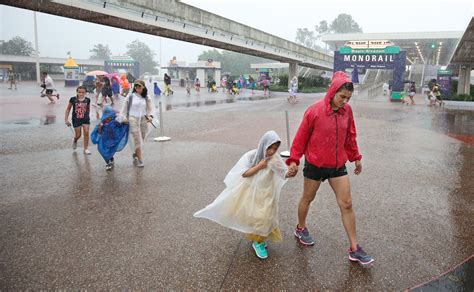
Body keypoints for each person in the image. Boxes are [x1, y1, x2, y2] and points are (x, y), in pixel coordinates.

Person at [286, 71, 374, 265]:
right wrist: (293, 160)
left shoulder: (347, 111)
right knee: (308, 198)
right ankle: (301, 228)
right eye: (342, 96)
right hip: (315, 165)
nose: (345, 101)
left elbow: (350, 136)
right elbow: (301, 138)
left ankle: (354, 248)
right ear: (333, 91)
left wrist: (355, 157)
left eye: (348, 98)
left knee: (347, 203)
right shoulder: (314, 111)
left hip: (337, 166)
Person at [194, 131, 295, 259]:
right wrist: (259, 166)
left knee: (266, 217)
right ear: (263, 145)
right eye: (269, 147)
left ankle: (260, 239)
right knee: (257, 216)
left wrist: (290, 173)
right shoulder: (252, 156)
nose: (271, 151)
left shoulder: (275, 158)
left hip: (267, 194)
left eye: (275, 149)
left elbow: (282, 173)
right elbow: (244, 173)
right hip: (253, 192)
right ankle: (258, 242)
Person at [120, 80, 156, 168]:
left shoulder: (147, 97)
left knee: (142, 137)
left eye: (139, 86)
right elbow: (124, 109)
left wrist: (151, 116)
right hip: (132, 118)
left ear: (143, 87)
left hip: (143, 119)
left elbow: (150, 109)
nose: (137, 88)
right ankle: (140, 159)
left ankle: (135, 153)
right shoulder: (130, 96)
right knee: (137, 139)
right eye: (136, 86)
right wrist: (122, 118)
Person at [91, 106, 129, 171]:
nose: (109, 117)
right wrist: (100, 127)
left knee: (110, 150)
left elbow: (126, 122)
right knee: (101, 150)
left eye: (110, 115)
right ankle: (108, 162)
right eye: (107, 115)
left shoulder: (116, 120)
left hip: (113, 139)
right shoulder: (102, 122)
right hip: (103, 139)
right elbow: (99, 132)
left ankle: (110, 160)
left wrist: (123, 120)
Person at [65, 86, 91, 155]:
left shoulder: (87, 100)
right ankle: (75, 139)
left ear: (85, 93)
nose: (81, 94)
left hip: (85, 119)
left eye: (83, 92)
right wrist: (66, 119)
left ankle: (86, 149)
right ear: (77, 92)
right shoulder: (73, 99)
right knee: (78, 135)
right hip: (76, 119)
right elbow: (68, 109)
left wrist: (88, 116)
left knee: (86, 132)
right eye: (79, 92)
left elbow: (88, 109)